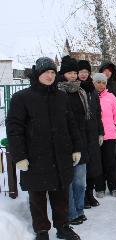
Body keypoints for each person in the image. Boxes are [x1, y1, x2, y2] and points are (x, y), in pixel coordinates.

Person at [6, 57, 81, 240]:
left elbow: (71, 124)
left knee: (61, 196)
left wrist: (76, 148)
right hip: (35, 158)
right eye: (46, 72)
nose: (50, 75)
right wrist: (20, 156)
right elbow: (14, 129)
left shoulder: (61, 97)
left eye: (53, 72)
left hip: (60, 156)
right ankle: (41, 230)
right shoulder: (22, 98)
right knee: (38, 197)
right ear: (38, 73)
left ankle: (63, 227)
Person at [57, 56, 91, 226]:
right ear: (63, 74)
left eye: (74, 72)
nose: (73, 76)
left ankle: (79, 209)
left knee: (80, 180)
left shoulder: (81, 91)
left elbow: (86, 117)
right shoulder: (57, 92)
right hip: (64, 141)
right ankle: (70, 213)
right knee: (68, 181)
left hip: (81, 140)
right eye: (69, 72)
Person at [77, 60, 104, 209]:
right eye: (81, 71)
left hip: (93, 132)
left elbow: (98, 113)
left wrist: (101, 132)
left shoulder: (92, 90)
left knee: (93, 165)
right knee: (82, 167)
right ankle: (82, 197)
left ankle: (89, 194)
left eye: (86, 72)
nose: (83, 74)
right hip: (81, 133)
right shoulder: (74, 89)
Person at [93, 73, 116, 198]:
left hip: (109, 135)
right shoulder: (89, 96)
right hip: (95, 136)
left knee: (110, 162)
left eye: (103, 83)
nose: (101, 85)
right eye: (98, 82)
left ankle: (113, 186)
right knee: (97, 163)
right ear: (94, 83)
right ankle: (99, 187)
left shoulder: (111, 97)